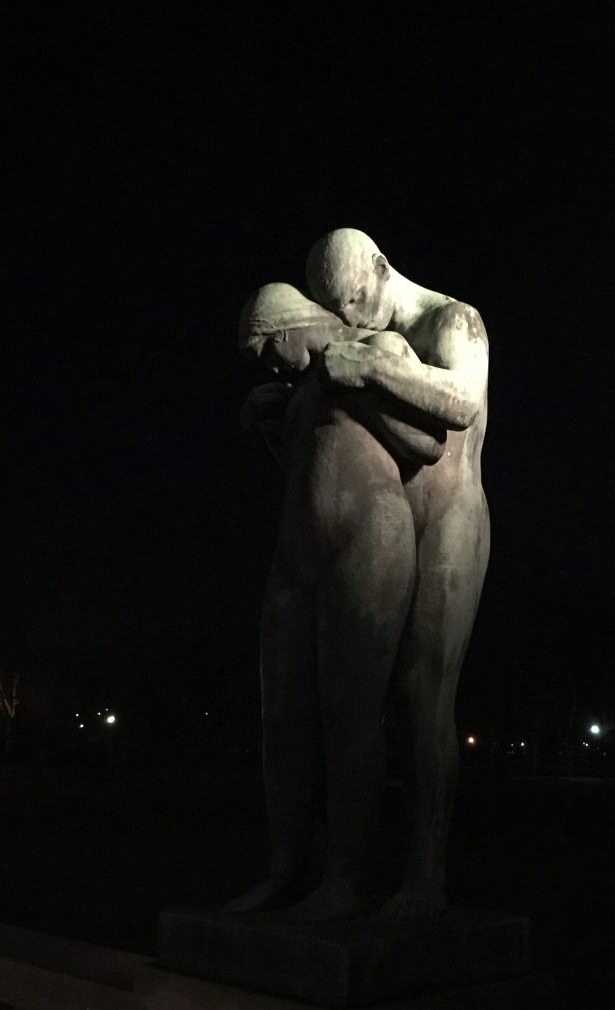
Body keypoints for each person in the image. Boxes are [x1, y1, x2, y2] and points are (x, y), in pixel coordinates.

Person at [228, 284, 448, 919]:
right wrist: (271, 429)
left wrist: (360, 381)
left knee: (349, 710)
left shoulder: (380, 348)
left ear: (292, 327)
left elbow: (427, 445)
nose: (269, 364)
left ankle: (344, 880)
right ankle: (286, 869)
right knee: (281, 715)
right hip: (296, 552)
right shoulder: (300, 387)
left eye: (268, 348)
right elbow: (309, 467)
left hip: (369, 538)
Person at [306, 229, 490, 917]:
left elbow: (462, 401)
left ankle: (424, 879)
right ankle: (344, 876)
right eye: (339, 311)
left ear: (381, 269)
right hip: (390, 523)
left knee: (424, 696)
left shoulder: (454, 320)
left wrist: (371, 370)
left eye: (355, 301)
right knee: (357, 699)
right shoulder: (372, 336)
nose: (351, 319)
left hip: (452, 520)